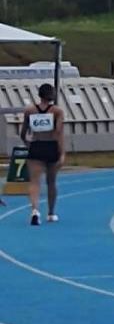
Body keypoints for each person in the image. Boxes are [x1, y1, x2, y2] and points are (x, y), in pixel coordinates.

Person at [19, 83, 65, 225]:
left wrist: (29, 144)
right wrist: (62, 153)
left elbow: (23, 133)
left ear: (39, 95)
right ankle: (51, 213)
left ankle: (34, 210)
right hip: (51, 146)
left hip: (36, 146)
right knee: (51, 182)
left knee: (34, 182)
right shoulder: (57, 111)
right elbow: (58, 133)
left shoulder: (30, 110)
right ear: (52, 95)